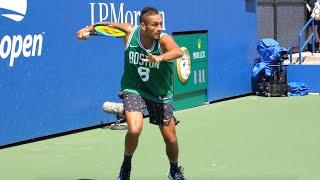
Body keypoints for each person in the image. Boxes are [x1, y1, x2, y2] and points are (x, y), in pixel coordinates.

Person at [77, 7, 187, 180]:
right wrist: (87, 30)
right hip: (134, 88)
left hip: (160, 93)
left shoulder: (164, 39)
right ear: (143, 26)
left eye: (161, 24)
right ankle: (126, 167)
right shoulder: (130, 32)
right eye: (155, 25)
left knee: (170, 138)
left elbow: (177, 51)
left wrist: (159, 57)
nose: (159, 28)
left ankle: (174, 170)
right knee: (134, 129)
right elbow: (107, 25)